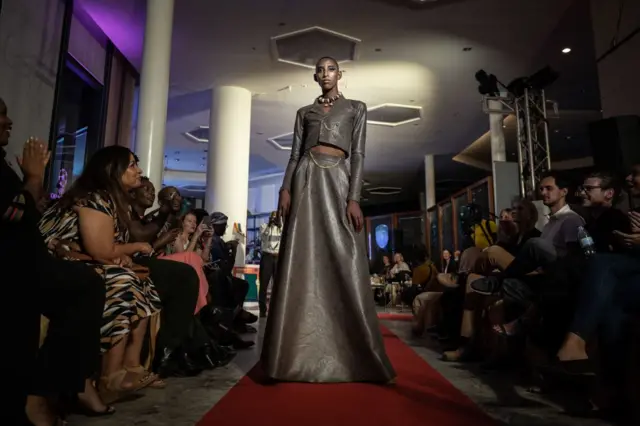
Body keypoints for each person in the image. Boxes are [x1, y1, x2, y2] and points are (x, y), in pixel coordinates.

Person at [261, 56, 395, 384]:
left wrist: (354, 198)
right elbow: (293, 155)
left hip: (338, 179)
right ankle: (290, 355)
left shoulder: (356, 108)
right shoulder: (303, 113)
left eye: (330, 68)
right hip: (305, 179)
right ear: (314, 76)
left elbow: (360, 154)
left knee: (345, 252)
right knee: (301, 255)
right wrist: (284, 190)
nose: (325, 74)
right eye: (320, 69)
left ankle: (357, 351)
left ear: (340, 74)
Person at [1, 99, 106, 424]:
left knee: (91, 281)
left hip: (28, 261)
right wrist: (32, 177)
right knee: (89, 283)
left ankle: (67, 385)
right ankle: (43, 392)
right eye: (1, 114)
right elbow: (14, 212)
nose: (9, 121)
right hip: (13, 268)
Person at [258, 211, 282, 317]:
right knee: (264, 284)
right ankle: (262, 310)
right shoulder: (264, 226)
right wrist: (269, 225)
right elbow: (263, 237)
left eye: (276, 218)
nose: (274, 220)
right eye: (272, 218)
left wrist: (279, 225)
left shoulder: (282, 227)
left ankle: (277, 309)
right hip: (267, 256)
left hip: (278, 257)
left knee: (277, 285)